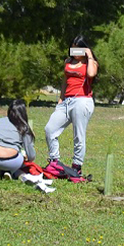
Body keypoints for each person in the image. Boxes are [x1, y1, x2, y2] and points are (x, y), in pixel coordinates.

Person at [44, 36, 97, 180]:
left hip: (82, 101)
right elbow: (65, 81)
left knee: (78, 135)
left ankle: (76, 167)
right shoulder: (68, 62)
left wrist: (90, 55)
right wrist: (61, 98)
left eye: (78, 48)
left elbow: (91, 74)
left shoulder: (90, 63)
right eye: (73, 47)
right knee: (50, 129)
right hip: (66, 101)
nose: (75, 51)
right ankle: (54, 161)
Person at [0, 100, 55, 193]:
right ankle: (18, 174)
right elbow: (31, 156)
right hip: (12, 161)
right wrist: (25, 157)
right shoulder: (23, 127)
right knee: (19, 157)